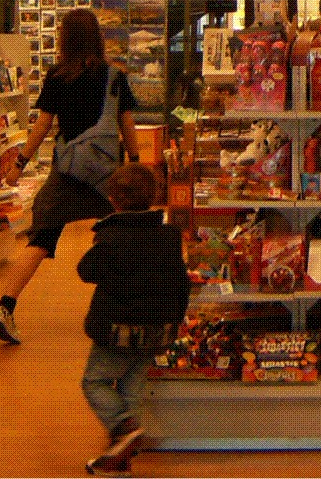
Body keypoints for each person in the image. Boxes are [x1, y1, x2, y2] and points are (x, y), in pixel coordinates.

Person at [0, 9, 142, 345]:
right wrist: (134, 162)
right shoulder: (114, 77)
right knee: (120, 235)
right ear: (97, 37)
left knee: (40, 239)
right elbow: (127, 123)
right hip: (108, 176)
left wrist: (19, 163)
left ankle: (5, 307)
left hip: (67, 171)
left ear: (65, 39)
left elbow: (43, 125)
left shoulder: (58, 76)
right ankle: (124, 309)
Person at [74, 163, 191, 476]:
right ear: (154, 196)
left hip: (118, 329)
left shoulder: (111, 236)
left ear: (113, 199)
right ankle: (120, 460)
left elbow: (85, 271)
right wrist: (175, 320)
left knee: (95, 382)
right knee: (131, 388)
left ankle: (124, 428)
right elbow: (181, 281)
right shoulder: (169, 236)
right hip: (159, 329)